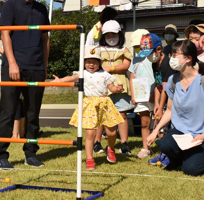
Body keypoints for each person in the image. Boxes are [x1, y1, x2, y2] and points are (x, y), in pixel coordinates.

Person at [147, 40, 204, 176]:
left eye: (175, 55)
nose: (172, 59)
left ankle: (202, 159)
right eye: (171, 55)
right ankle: (178, 159)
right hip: (182, 133)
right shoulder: (173, 80)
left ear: (188, 58)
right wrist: (155, 131)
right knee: (164, 144)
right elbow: (169, 110)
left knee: (191, 170)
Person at [0, 0, 50, 170]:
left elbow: (45, 38)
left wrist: (45, 67)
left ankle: (31, 154)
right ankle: (1, 156)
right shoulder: (10, 5)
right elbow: (5, 34)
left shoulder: (41, 8)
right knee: (8, 111)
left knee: (33, 113)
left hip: (36, 67)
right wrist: (12, 63)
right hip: (14, 66)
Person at [52, 46, 124, 170]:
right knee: (90, 133)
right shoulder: (82, 74)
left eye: (95, 62)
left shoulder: (105, 75)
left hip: (105, 104)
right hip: (90, 104)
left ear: (100, 63)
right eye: (88, 61)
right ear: (84, 62)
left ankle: (110, 148)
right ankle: (90, 158)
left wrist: (117, 88)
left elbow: (111, 88)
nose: (91, 64)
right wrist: (60, 81)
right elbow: (71, 78)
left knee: (111, 132)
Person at [93, 20, 134, 155]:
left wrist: (108, 68)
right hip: (102, 86)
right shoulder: (98, 50)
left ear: (120, 35)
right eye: (107, 35)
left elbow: (125, 66)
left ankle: (124, 143)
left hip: (120, 85)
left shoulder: (124, 50)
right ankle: (97, 142)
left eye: (113, 34)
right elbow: (94, 65)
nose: (111, 38)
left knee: (121, 114)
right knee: (101, 115)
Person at [136, 33, 174, 166]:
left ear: (159, 50)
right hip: (163, 97)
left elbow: (166, 88)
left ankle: (168, 155)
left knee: (165, 127)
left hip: (172, 100)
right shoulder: (154, 64)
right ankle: (163, 153)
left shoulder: (167, 64)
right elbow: (158, 86)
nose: (147, 56)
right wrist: (157, 104)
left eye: (149, 53)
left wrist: (162, 107)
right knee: (160, 126)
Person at [128, 33, 155, 159]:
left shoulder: (155, 57)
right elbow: (132, 77)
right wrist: (133, 95)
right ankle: (146, 148)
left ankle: (163, 148)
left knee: (158, 122)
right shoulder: (135, 60)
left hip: (156, 94)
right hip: (141, 95)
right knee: (144, 122)